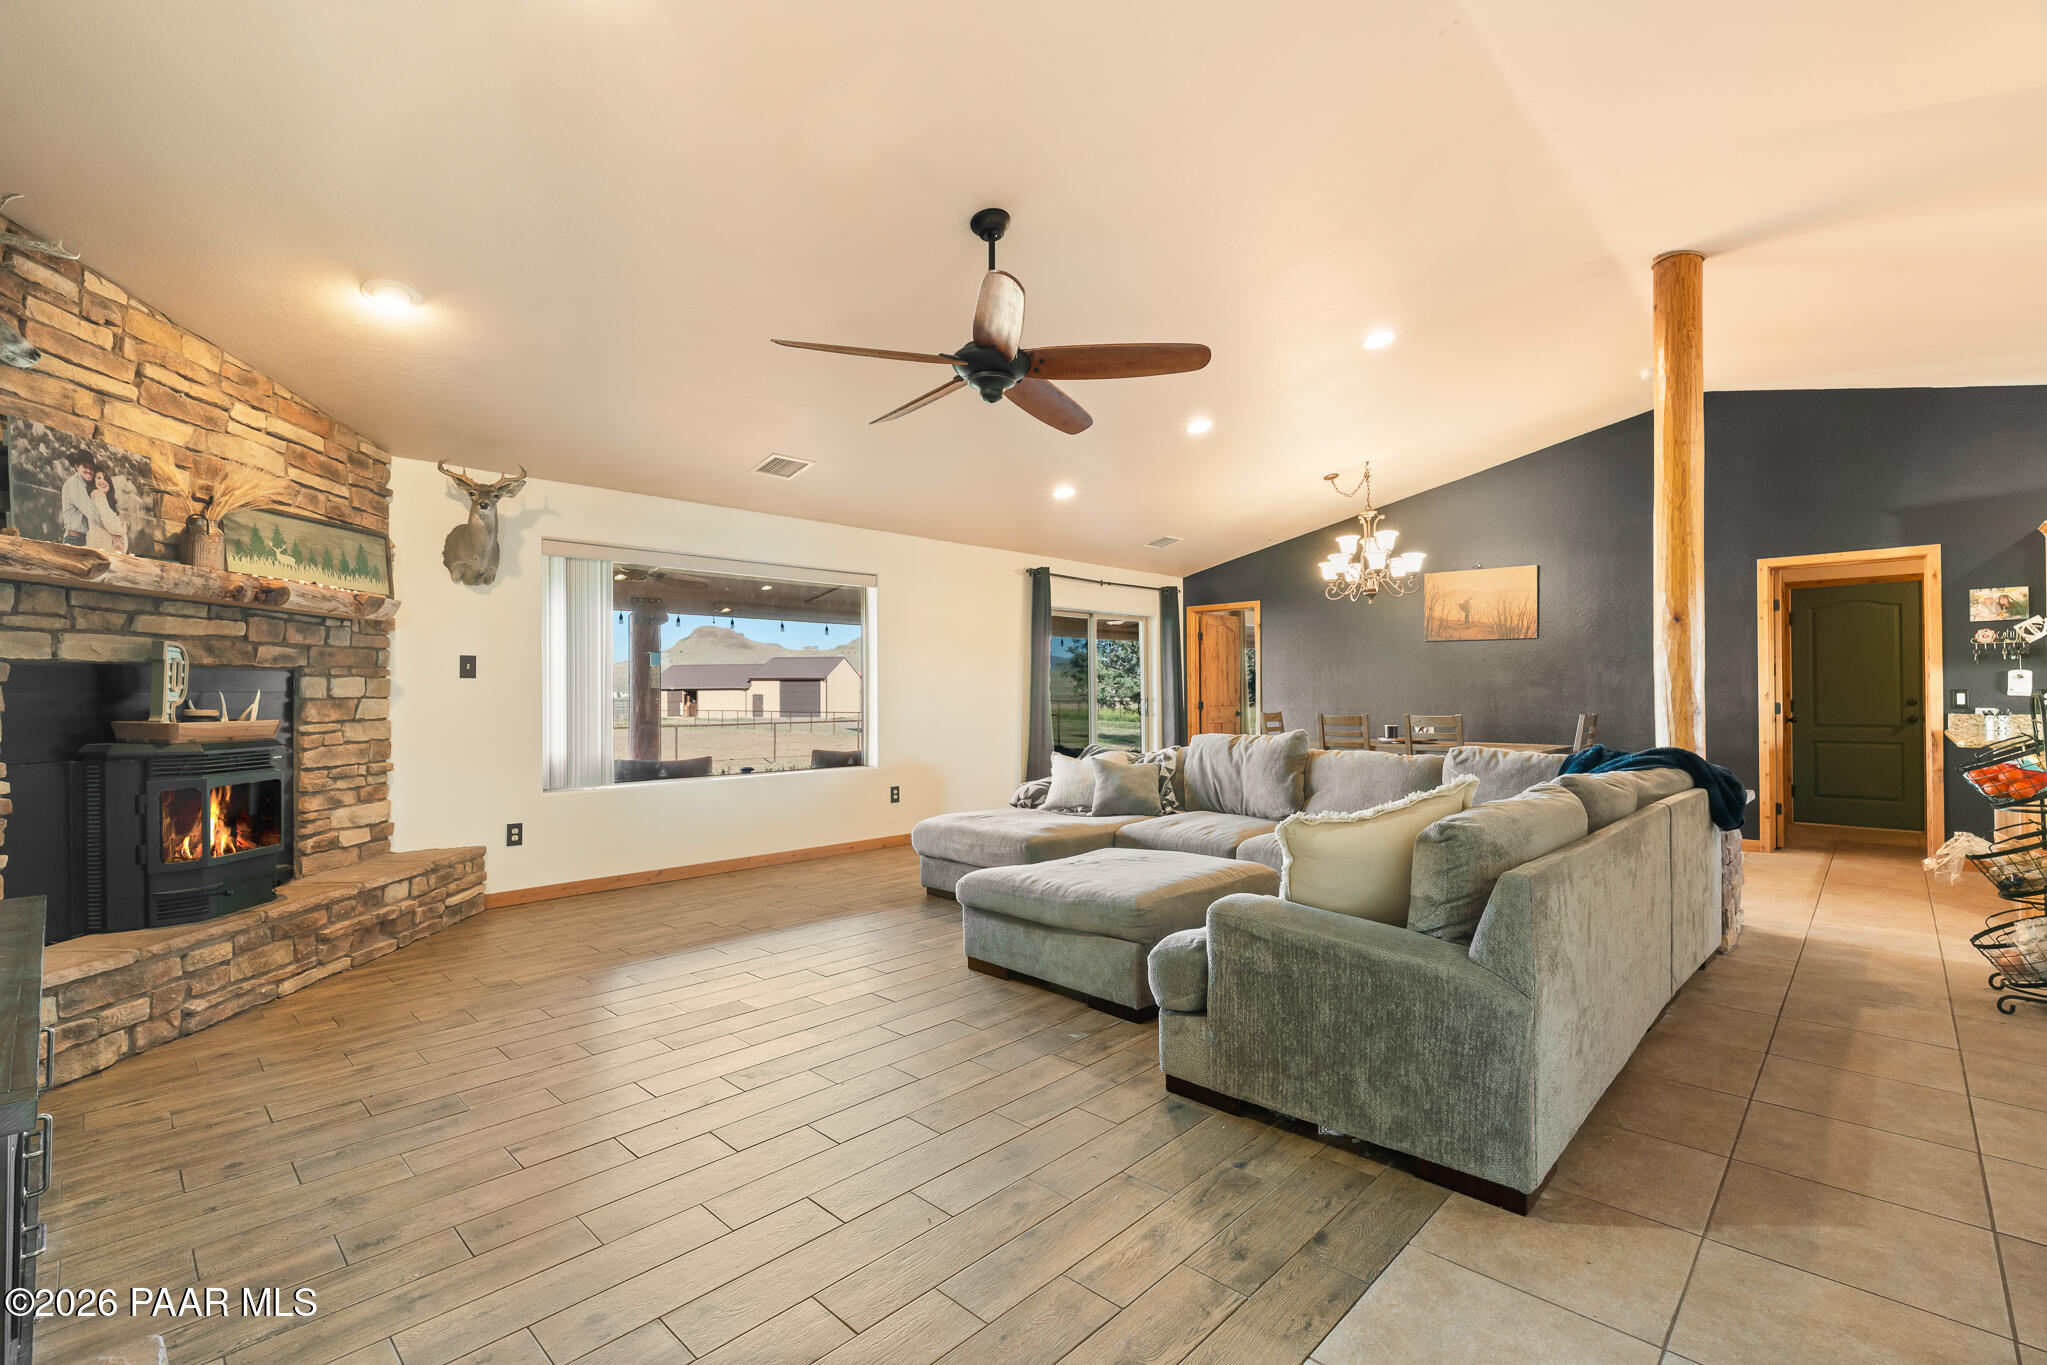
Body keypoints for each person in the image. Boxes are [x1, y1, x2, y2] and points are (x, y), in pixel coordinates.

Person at [84, 468, 126, 553]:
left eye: (105, 479)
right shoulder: (97, 493)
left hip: (102, 546)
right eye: (98, 478)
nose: (103, 481)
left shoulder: (103, 499)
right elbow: (110, 523)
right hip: (101, 545)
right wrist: (123, 530)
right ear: (93, 481)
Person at [59, 456, 95, 545]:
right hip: (74, 540)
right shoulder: (74, 484)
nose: (89, 471)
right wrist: (113, 529)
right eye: (85, 466)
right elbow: (92, 513)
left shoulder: (82, 485)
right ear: (76, 467)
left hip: (78, 539)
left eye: (91, 468)